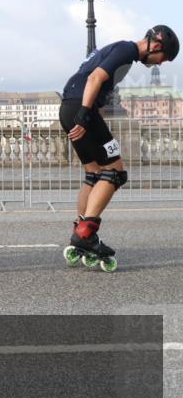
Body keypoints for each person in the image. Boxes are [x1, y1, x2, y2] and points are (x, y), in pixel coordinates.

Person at [59, 25, 178, 270]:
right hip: (81, 109)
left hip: (68, 106)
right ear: (156, 46)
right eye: (162, 59)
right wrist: (84, 116)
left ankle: (79, 232)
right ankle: (86, 234)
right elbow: (95, 78)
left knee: (93, 174)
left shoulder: (119, 48)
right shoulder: (126, 50)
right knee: (115, 173)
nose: (159, 64)